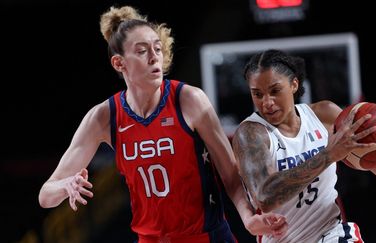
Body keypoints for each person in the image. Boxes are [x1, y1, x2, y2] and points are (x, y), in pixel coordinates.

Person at [38, 6, 288, 243]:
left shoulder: (189, 100)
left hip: (206, 236)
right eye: (141, 50)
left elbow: (230, 173)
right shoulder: (104, 117)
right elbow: (45, 196)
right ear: (119, 63)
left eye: (157, 48)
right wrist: (65, 185)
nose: (153, 57)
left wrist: (247, 218)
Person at [231, 49, 376, 243]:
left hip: (331, 232)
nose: (267, 103)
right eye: (257, 94)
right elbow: (265, 197)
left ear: (294, 85)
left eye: (275, 91)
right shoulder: (250, 134)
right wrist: (327, 155)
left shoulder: (324, 115)